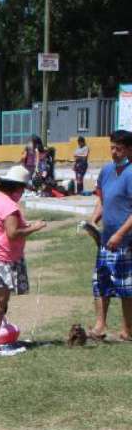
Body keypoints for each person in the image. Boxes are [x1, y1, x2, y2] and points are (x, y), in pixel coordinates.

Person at [0, 165, 47, 351]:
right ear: (17, 187)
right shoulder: (9, 207)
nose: (23, 193)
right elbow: (13, 234)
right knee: (0, 303)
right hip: (3, 258)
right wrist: (35, 227)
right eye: (23, 189)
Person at [87, 130, 132, 341]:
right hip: (106, 240)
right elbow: (102, 200)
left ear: (129, 149)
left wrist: (120, 233)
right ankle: (100, 325)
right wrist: (93, 219)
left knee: (125, 286)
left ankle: (127, 330)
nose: (114, 152)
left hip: (126, 242)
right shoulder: (106, 171)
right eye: (112, 147)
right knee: (101, 282)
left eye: (119, 148)